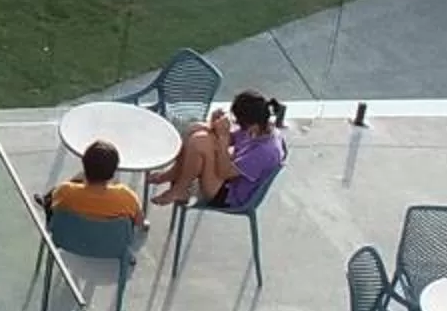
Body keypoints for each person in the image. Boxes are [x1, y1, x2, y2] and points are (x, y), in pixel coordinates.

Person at [147, 91, 285, 211]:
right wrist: (213, 124)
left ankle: (180, 188)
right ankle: (174, 173)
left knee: (199, 142)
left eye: (239, 123)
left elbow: (224, 172)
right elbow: (229, 138)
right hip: (227, 176)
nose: (237, 125)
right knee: (195, 129)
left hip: (229, 194)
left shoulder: (266, 152)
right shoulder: (259, 127)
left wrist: (223, 137)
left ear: (252, 125)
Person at [44, 142, 145, 227]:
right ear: (113, 173)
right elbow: (139, 221)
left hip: (69, 243)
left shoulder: (64, 191)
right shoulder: (127, 196)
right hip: (112, 248)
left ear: (84, 165)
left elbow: (54, 208)